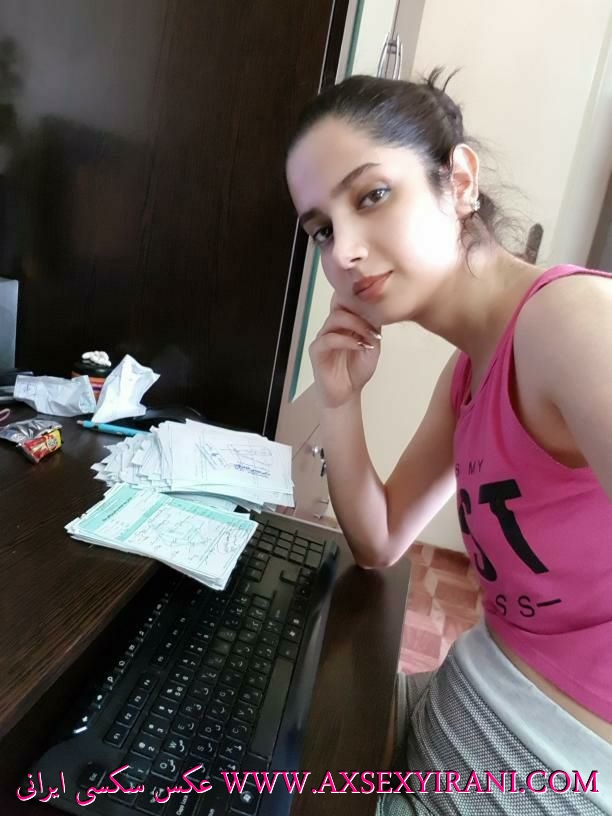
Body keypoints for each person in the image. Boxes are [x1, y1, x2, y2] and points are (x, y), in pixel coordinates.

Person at [285, 70, 612, 815]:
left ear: (459, 181)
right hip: (468, 704)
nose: (346, 252)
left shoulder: (571, 323)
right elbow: (380, 543)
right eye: (323, 230)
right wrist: (340, 398)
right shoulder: (468, 371)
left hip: (551, 765)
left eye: (372, 195)